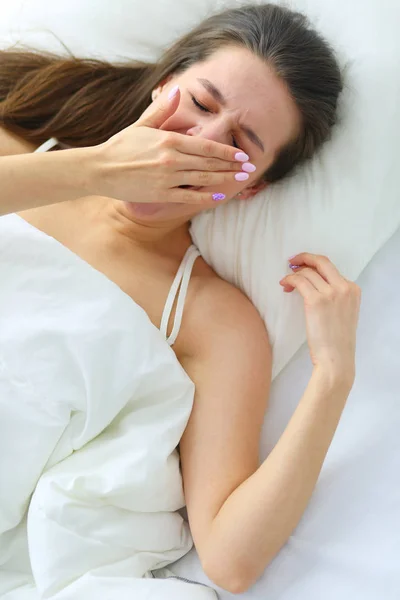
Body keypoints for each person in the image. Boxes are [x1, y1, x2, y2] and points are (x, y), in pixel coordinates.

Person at [0, 2, 361, 595]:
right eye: (199, 104)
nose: (203, 141)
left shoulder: (212, 319)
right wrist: (95, 170)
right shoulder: (25, 146)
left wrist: (334, 377)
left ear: (252, 188)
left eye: (241, 143)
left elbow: (231, 559)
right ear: (164, 85)